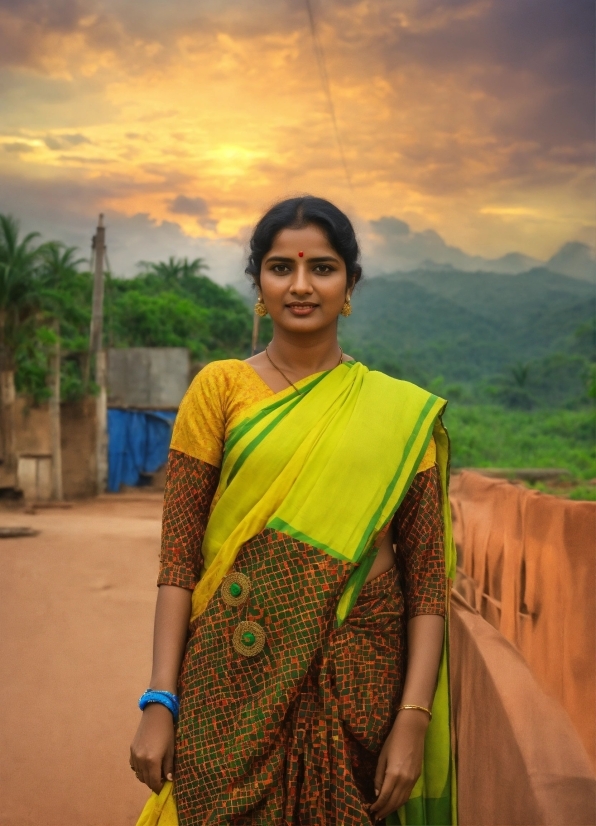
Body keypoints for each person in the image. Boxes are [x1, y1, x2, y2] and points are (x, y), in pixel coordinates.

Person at [130, 196, 456, 826]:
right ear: (259, 284)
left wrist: (413, 719)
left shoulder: (394, 417)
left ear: (350, 283)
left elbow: (427, 584)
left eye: (323, 269)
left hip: (357, 693)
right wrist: (159, 700)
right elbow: (178, 562)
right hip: (230, 688)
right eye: (282, 268)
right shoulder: (220, 389)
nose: (301, 286)